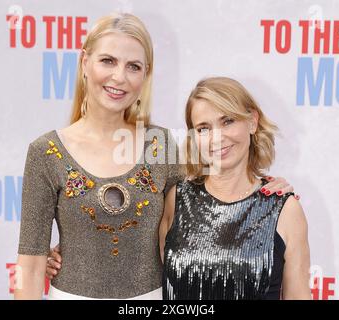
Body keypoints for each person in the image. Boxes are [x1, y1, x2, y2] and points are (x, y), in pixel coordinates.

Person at [30, 13, 294, 300]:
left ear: (145, 75)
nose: (119, 76)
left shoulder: (161, 146)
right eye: (108, 60)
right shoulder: (47, 151)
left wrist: (263, 194)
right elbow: (28, 266)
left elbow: (210, 199)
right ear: (84, 62)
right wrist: (52, 257)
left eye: (133, 66)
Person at [159, 77, 311, 300]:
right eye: (203, 128)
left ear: (252, 121)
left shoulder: (284, 209)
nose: (217, 138)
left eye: (227, 121)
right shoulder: (177, 199)